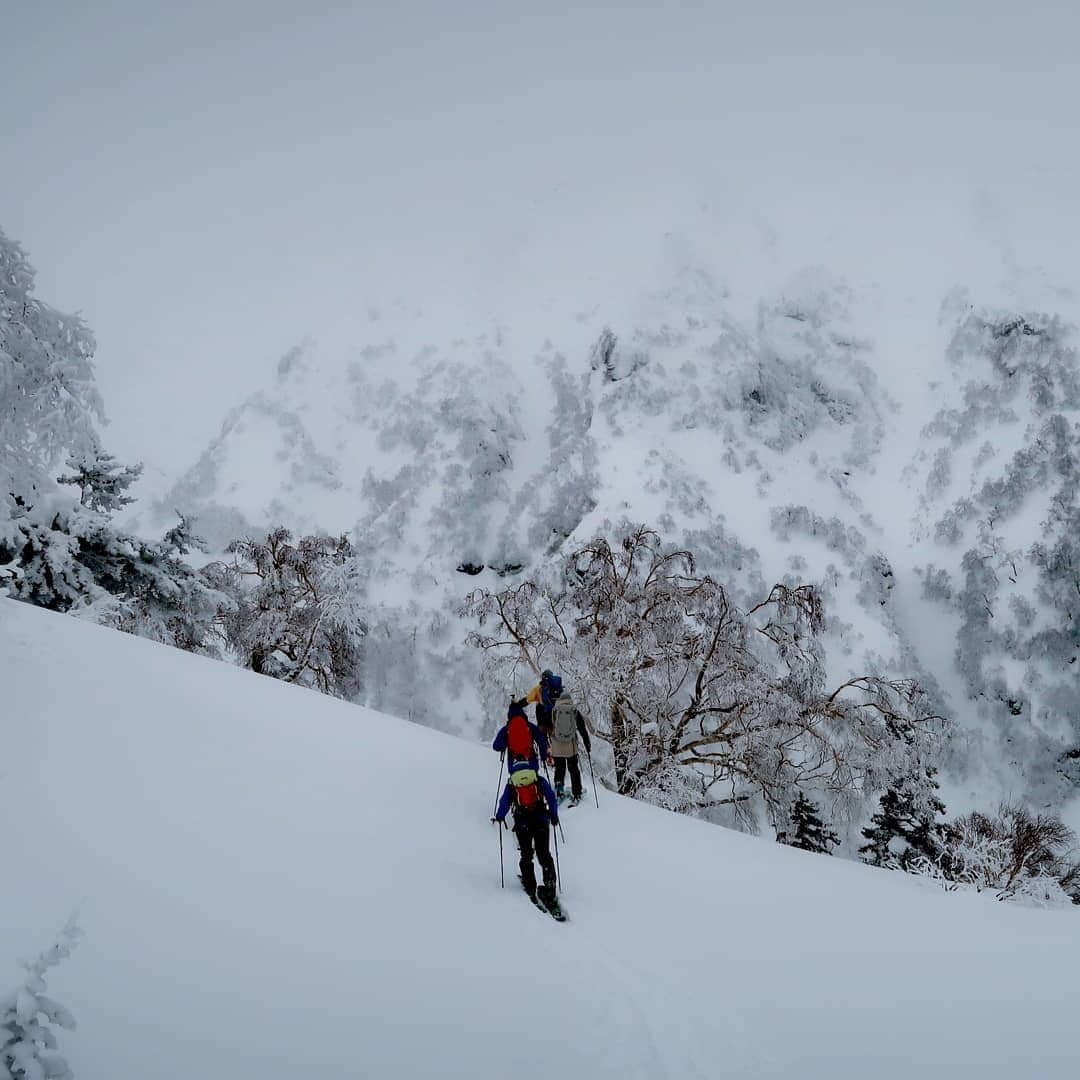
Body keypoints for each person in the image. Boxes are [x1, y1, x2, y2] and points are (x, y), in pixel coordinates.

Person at [492, 759, 561, 914]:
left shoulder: (512, 783)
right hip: (541, 820)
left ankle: (530, 885)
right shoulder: (538, 779)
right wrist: (554, 815)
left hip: (523, 822)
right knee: (544, 854)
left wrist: (500, 816)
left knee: (526, 854)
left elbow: (504, 801)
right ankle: (550, 887)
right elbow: (550, 796)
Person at [527, 670, 592, 806]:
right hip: (571, 745)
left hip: (557, 744)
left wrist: (544, 741)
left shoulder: (553, 709)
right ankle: (577, 793)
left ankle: (559, 790)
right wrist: (587, 744)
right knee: (573, 768)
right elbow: (582, 728)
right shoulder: (573, 710)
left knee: (560, 768)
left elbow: (545, 726)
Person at [492, 699, 549, 771]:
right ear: (522, 712)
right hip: (531, 763)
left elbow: (496, 746)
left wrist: (505, 744)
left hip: (514, 765)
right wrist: (543, 756)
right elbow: (542, 742)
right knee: (535, 780)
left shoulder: (506, 729)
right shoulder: (530, 726)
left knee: (515, 781)